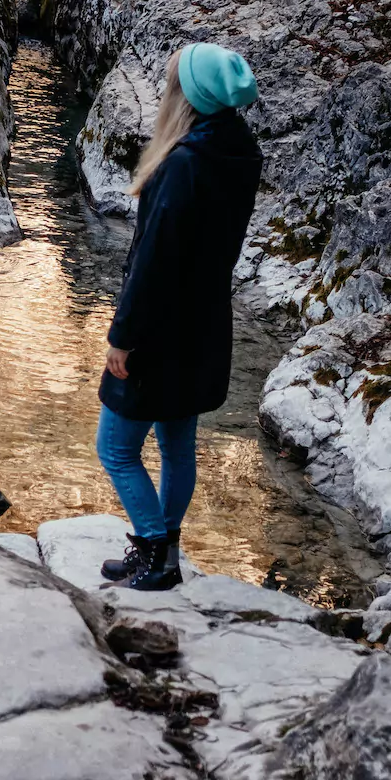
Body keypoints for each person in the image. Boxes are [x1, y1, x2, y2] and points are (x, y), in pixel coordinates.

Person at [96, 41, 262, 591]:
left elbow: (153, 263)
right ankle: (164, 552)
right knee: (175, 445)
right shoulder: (237, 151)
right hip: (204, 324)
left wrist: (123, 336)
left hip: (160, 333)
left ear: (187, 95)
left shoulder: (183, 163)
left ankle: (154, 552)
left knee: (116, 449)